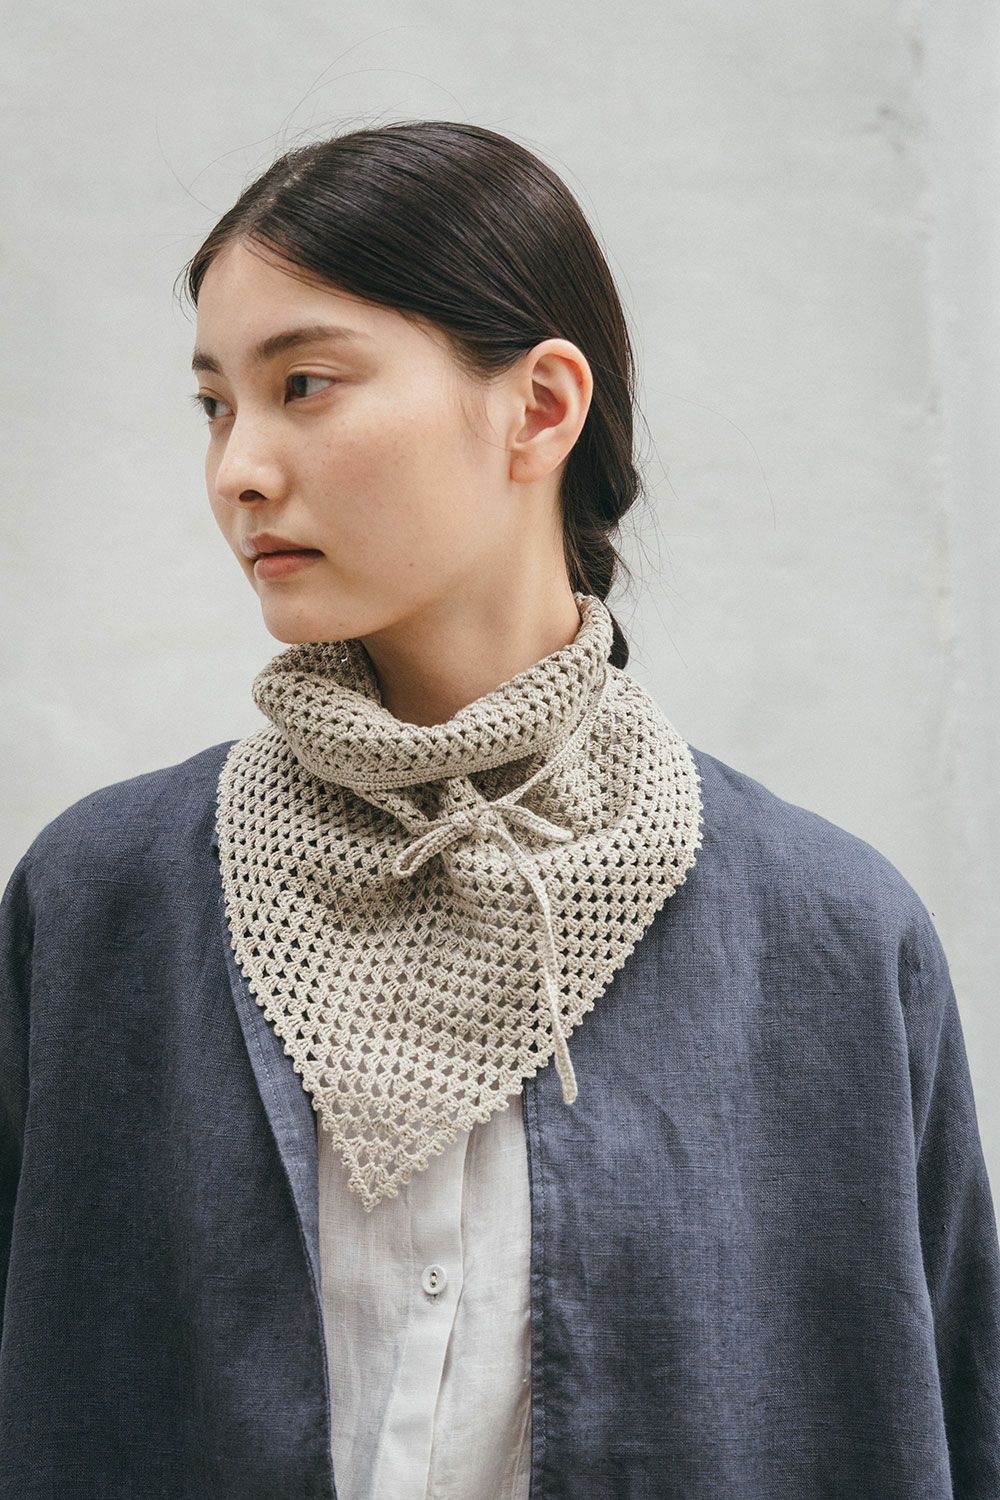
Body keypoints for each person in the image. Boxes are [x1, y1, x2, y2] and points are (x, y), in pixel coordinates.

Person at [1, 120, 998, 1500]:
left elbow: (947, 1413)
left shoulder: (829, 939)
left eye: (304, 384)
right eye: (215, 405)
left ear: (538, 408)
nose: (238, 469)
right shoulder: (100, 904)